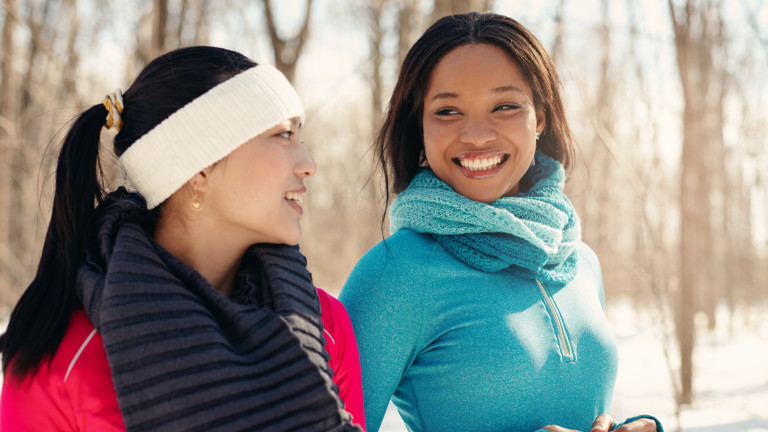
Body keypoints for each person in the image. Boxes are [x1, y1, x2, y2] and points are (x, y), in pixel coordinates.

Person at [0, 46, 365, 431]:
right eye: (283, 134)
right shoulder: (63, 359)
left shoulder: (323, 325)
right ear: (199, 168)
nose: (308, 165)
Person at [339, 12, 662, 432]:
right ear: (419, 125)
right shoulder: (393, 272)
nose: (476, 135)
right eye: (448, 110)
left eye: (505, 106)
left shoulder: (579, 259)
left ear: (540, 117)